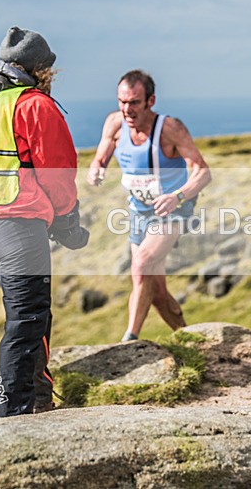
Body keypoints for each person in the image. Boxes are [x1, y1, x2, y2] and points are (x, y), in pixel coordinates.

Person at [0, 27, 89, 417]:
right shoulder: (34, 104)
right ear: (39, 69)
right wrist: (68, 221)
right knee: (26, 320)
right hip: (19, 227)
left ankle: (38, 398)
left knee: (31, 315)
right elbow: (58, 173)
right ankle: (14, 413)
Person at [87, 70, 211, 342]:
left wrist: (177, 196)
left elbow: (203, 172)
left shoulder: (170, 129)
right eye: (122, 102)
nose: (126, 109)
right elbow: (100, 158)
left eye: (134, 102)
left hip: (173, 209)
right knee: (155, 290)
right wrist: (96, 169)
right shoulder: (114, 123)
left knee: (141, 263)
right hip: (139, 210)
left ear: (150, 101)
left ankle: (129, 339)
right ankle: (188, 338)